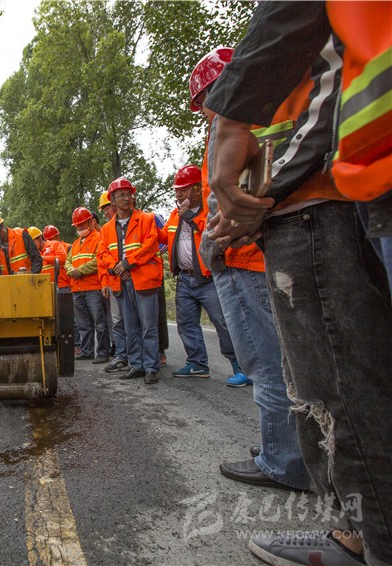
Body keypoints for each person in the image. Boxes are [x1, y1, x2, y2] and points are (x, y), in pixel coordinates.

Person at [204, 3, 392, 562]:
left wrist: (258, 196)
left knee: (337, 390)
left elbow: (318, 106)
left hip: (317, 205)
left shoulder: (296, 73)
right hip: (342, 193)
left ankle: (370, 539)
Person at [188, 46, 313, 498]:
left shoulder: (232, 124)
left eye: (204, 101)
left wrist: (214, 246)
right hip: (264, 256)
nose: (205, 112)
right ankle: (296, 452)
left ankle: (283, 461)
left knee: (264, 360)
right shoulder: (276, 110)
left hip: (241, 260)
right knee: (286, 359)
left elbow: (230, 201)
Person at [160, 165, 246, 383]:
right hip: (184, 278)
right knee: (186, 324)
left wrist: (190, 216)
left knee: (223, 323)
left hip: (210, 278)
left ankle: (242, 367)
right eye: (177, 190)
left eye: (183, 189)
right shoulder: (175, 214)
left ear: (198, 188)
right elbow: (164, 236)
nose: (179, 194)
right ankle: (197, 364)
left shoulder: (210, 209)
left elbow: (213, 231)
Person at [97, 177, 163, 385]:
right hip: (121, 282)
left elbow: (151, 245)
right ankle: (137, 365)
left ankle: (151, 367)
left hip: (143, 280)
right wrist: (116, 267)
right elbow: (102, 254)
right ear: (113, 200)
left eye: (129, 194)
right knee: (130, 326)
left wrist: (127, 263)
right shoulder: (107, 229)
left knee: (148, 326)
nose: (127, 198)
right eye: (122, 195)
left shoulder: (146, 219)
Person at [66, 207, 111, 364]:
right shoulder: (75, 244)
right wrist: (71, 270)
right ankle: (87, 351)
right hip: (77, 288)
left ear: (90, 222)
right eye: (77, 225)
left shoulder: (99, 238)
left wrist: (79, 271)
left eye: (82, 224)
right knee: (83, 324)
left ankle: (103, 352)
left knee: (100, 323)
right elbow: (67, 261)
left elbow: (98, 261)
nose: (79, 228)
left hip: (93, 287)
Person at [96, 196, 127, 373]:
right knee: (117, 321)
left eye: (107, 208)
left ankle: (138, 357)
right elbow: (102, 259)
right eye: (104, 210)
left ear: (114, 205)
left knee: (134, 321)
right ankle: (122, 356)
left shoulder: (132, 222)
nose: (106, 212)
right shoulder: (106, 230)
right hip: (115, 281)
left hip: (133, 278)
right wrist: (105, 282)